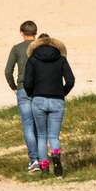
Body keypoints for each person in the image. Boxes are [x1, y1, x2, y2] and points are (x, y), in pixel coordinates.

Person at [24, 36, 75, 177]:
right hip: (57, 100)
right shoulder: (61, 59)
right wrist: (62, 93)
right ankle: (57, 160)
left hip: (38, 99)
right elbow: (70, 80)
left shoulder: (32, 60)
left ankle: (45, 167)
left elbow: (27, 82)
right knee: (54, 136)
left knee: (41, 136)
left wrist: (32, 94)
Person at [4, 20, 40, 172]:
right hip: (40, 89)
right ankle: (43, 157)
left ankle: (34, 160)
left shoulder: (17, 49)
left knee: (28, 125)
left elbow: (7, 71)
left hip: (23, 89)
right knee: (40, 125)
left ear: (21, 33)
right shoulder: (42, 47)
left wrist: (14, 87)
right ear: (35, 33)